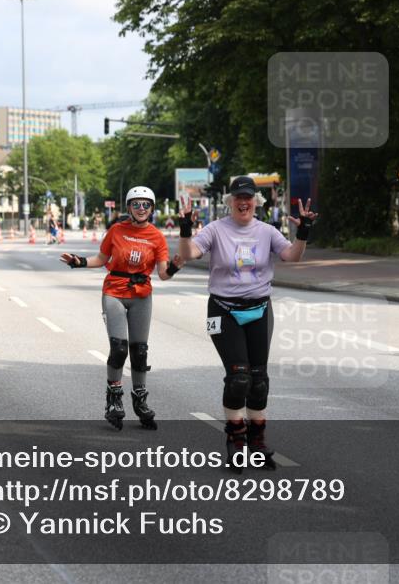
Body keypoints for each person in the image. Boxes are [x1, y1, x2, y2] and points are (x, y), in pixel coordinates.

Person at [177, 175, 317, 472]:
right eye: (238, 198)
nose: (243, 202)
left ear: (256, 201)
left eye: (248, 197)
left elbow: (292, 256)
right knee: (239, 377)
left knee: (259, 381)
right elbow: (188, 254)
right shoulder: (216, 230)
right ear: (230, 202)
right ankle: (236, 441)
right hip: (222, 310)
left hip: (259, 309)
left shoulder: (267, 231)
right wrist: (186, 229)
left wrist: (303, 232)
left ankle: (258, 443)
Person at [61, 186, 184, 430]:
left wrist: (173, 267)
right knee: (119, 349)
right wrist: (79, 262)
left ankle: (140, 400)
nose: (141, 208)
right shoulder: (117, 230)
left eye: (146, 204)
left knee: (140, 351)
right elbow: (101, 259)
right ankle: (114, 400)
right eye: (136, 204)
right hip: (114, 292)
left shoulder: (157, 237)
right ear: (128, 207)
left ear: (152, 208)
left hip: (141, 295)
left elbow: (162, 274)